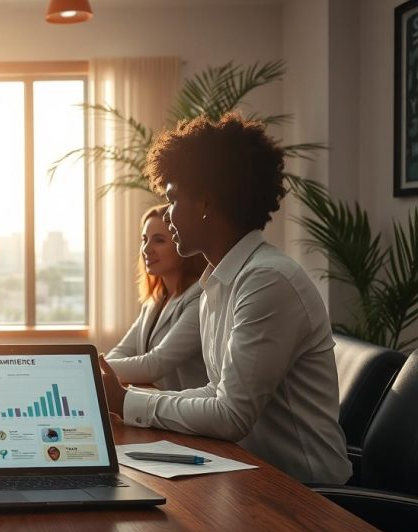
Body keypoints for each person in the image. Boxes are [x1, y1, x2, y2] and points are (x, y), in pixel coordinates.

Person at [99, 112, 351, 485]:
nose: (166, 217)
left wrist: (126, 402)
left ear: (204, 202)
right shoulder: (219, 282)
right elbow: (217, 391)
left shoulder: (267, 281)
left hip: (306, 493)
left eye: (172, 199)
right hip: (248, 474)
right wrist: (128, 400)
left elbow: (232, 414)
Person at [106, 204, 209, 390]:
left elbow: (155, 364)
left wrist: (91, 366)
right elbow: (123, 351)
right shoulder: (155, 300)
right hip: (156, 410)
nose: (146, 249)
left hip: (191, 414)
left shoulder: (200, 297)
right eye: (144, 239)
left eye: (159, 240)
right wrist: (100, 368)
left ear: (182, 243)